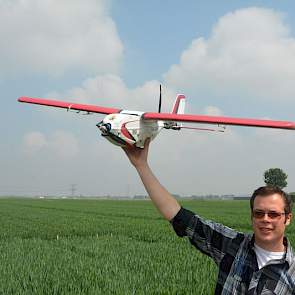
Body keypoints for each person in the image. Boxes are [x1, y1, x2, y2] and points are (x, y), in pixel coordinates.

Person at [123, 139, 295, 294]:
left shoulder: (292, 273)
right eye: (259, 213)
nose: (265, 219)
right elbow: (178, 216)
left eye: (273, 214)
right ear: (252, 217)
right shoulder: (233, 245)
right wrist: (141, 165)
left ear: (287, 218)